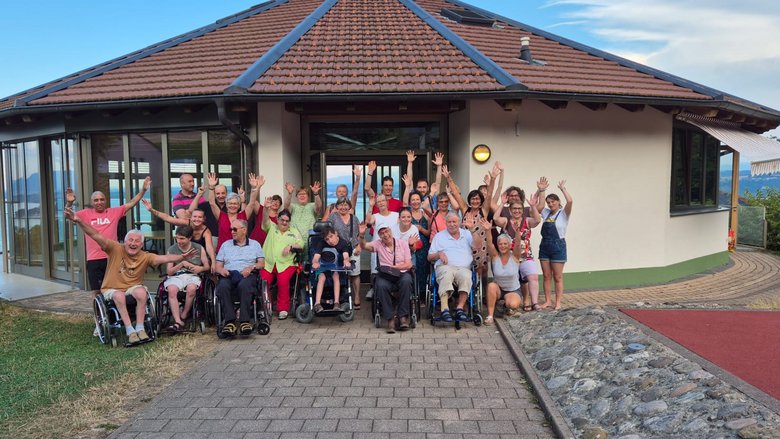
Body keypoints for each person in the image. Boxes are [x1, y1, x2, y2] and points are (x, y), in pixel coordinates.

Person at [64, 207, 198, 346]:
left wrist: (181, 256)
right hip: (112, 288)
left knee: (141, 292)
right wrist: (79, 220)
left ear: (141, 244)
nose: (133, 243)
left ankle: (140, 328)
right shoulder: (115, 248)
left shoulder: (145, 256)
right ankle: (130, 330)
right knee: (119, 296)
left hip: (132, 287)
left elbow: (164, 258)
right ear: (125, 241)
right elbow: (95, 235)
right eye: (131, 240)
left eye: (137, 241)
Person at [65, 177, 150, 297]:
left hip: (112, 257)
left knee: (116, 288)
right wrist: (69, 203)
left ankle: (114, 312)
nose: (99, 202)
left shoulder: (114, 212)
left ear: (105, 201)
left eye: (102, 199)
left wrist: (143, 191)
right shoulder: (85, 213)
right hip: (94, 258)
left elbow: (131, 203)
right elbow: (68, 215)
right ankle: (100, 314)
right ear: (92, 202)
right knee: (97, 290)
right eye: (96, 200)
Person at [493, 187, 543, 312]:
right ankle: (509, 302)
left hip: (526, 256)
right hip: (510, 258)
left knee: (532, 277)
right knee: (512, 279)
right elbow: (495, 219)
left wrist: (533, 206)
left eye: (519, 209)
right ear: (510, 210)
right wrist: (502, 204)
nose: (517, 211)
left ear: (522, 210)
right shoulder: (506, 221)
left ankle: (535, 303)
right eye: (514, 209)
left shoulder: (527, 220)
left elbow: (537, 220)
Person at [213, 219, 265, 337]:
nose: (232, 231)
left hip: (248, 275)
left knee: (244, 285)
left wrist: (251, 267)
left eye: (235, 229)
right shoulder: (225, 245)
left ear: (244, 230)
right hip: (230, 274)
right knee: (222, 286)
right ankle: (230, 322)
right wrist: (222, 270)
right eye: (231, 229)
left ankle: (244, 321)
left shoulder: (255, 244)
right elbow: (218, 266)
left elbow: (261, 264)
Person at [359, 223, 414, 333]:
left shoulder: (402, 243)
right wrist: (361, 236)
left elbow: (409, 264)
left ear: (391, 231)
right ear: (379, 235)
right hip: (386, 275)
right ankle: (390, 319)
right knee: (380, 285)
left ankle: (403, 316)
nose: (385, 235)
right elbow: (364, 246)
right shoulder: (378, 244)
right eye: (382, 233)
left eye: (386, 231)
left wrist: (397, 267)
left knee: (407, 281)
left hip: (401, 273)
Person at [442, 164, 492, 277]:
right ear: (469, 200)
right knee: (465, 269)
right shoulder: (465, 209)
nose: (475, 201)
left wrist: (491, 182)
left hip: (481, 245)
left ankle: (482, 293)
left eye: (478, 199)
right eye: (473, 199)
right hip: (465, 244)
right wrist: (448, 178)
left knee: (481, 271)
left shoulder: (484, 210)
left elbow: (489, 196)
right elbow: (455, 193)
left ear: (481, 200)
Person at [427, 213, 478, 323]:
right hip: (445, 267)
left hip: (463, 268)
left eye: (454, 222)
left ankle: (460, 308)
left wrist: (473, 230)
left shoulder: (467, 234)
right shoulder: (439, 236)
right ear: (445, 223)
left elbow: (477, 246)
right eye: (449, 222)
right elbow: (429, 257)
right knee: (447, 273)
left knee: (466, 276)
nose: (452, 224)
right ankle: (444, 309)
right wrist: (439, 254)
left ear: (459, 222)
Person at [259, 202, 304, 320]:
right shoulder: (272, 227)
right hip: (269, 264)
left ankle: (283, 309)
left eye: (287, 221)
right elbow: (264, 221)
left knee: (282, 281)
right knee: (263, 282)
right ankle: (265, 307)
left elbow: (301, 245)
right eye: (282, 220)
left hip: (287, 264)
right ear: (277, 219)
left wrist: (290, 246)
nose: (284, 222)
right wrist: (266, 209)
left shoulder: (293, 231)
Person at [142, 200, 216, 267]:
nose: (197, 219)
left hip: (198, 257)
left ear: (204, 219)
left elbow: (209, 248)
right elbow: (168, 218)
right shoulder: (186, 222)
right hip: (183, 254)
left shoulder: (206, 231)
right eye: (195, 217)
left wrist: (213, 262)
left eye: (200, 217)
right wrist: (151, 210)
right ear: (191, 217)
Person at [164, 225, 210, 332]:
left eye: (182, 238)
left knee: (192, 288)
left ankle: (184, 315)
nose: (178, 241)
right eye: (177, 238)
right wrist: (182, 263)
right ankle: (177, 321)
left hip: (192, 275)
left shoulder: (198, 248)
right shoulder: (172, 249)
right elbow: (169, 271)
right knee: (171, 289)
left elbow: (207, 266)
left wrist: (200, 268)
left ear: (189, 238)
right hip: (176, 275)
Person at [537, 179, 573, 310]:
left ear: (558, 202)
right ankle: (547, 301)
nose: (551, 204)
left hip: (558, 246)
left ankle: (558, 302)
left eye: (553, 202)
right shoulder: (546, 213)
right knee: (546, 276)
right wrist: (541, 190)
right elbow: (539, 207)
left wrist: (563, 189)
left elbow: (570, 201)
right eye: (549, 202)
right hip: (545, 245)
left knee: (557, 277)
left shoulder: (564, 214)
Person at [481, 218, 524, 325]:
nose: (502, 246)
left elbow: (518, 244)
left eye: (505, 244)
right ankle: (490, 315)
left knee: (512, 304)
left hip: (513, 290)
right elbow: (490, 244)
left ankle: (506, 306)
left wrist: (517, 230)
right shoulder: (495, 257)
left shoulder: (514, 257)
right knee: (491, 285)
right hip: (499, 289)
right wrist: (488, 230)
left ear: (509, 245)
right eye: (500, 244)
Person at [204, 172, 261, 253]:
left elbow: (252, 203)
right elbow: (212, 203)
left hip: (241, 252)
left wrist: (254, 188)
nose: (232, 206)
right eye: (230, 203)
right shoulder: (221, 216)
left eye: (235, 204)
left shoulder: (243, 215)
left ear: (238, 205)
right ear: (226, 205)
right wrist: (211, 187)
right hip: (223, 253)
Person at [327, 197, 363, 309]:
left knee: (355, 274)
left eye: (346, 204)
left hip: (353, 248)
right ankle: (342, 297)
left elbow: (358, 235)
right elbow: (328, 233)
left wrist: (359, 245)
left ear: (349, 207)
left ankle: (356, 297)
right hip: (337, 249)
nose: (343, 207)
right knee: (338, 273)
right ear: (337, 207)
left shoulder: (355, 218)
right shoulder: (333, 217)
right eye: (341, 205)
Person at [364, 194, 400, 300]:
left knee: (394, 271)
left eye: (383, 201)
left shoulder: (396, 215)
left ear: (387, 202)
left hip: (394, 248)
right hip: (378, 248)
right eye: (378, 201)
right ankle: (374, 289)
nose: (381, 203)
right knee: (375, 271)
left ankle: (393, 292)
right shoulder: (375, 216)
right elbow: (368, 221)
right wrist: (370, 206)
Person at [311, 225, 351, 314]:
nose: (330, 241)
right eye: (327, 239)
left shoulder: (343, 243)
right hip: (323, 266)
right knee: (321, 278)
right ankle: (317, 304)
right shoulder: (321, 243)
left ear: (335, 233)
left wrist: (346, 261)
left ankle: (336, 303)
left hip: (335, 267)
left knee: (336, 276)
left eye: (331, 237)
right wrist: (315, 262)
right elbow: (316, 256)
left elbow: (346, 256)